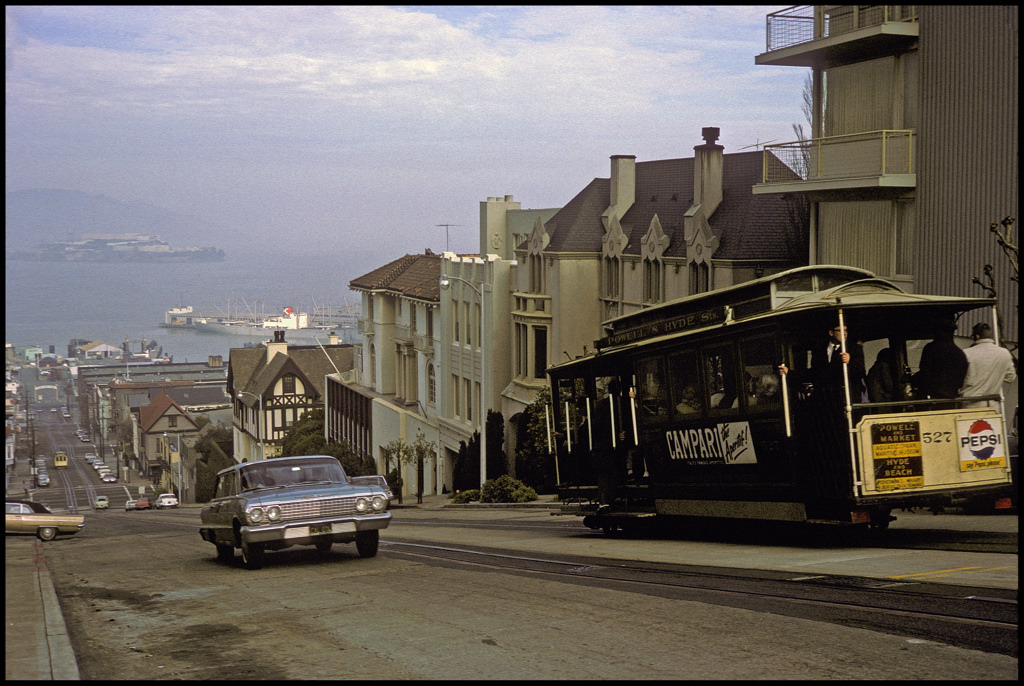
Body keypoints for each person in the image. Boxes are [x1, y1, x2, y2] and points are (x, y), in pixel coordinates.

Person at [960, 323, 1017, 408]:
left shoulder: (966, 353)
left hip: (970, 404)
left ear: (977, 336)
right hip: (993, 405)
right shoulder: (1004, 353)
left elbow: (959, 378)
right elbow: (1010, 377)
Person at [912, 318, 968, 400]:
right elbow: (961, 379)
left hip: (932, 399)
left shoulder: (931, 349)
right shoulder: (959, 353)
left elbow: (925, 374)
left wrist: (912, 380)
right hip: (952, 398)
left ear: (939, 331)